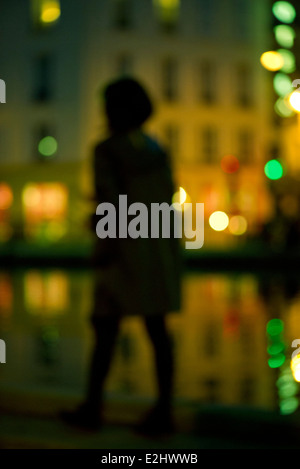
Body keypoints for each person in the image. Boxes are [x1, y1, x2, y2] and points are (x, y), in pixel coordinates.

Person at [61, 77, 182, 436]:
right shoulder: (157, 150)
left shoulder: (107, 150)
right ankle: (164, 411)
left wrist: (102, 246)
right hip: (157, 250)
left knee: (104, 331)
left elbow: (110, 204)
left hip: (122, 254)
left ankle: (92, 407)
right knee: (158, 332)